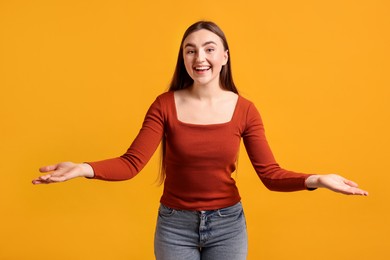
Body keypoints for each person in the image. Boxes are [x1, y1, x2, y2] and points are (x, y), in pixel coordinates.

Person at [32, 21, 368, 260]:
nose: (199, 58)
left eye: (209, 49)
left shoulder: (245, 110)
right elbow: (131, 164)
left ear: (225, 56)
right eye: (190, 51)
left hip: (228, 226)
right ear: (184, 58)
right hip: (175, 226)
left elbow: (270, 174)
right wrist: (83, 168)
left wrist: (317, 180)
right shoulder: (165, 104)